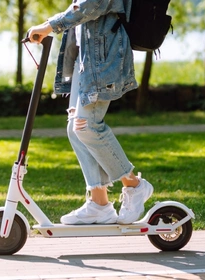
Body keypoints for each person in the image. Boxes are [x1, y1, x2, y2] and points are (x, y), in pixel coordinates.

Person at [25, 0, 153, 225]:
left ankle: (134, 185)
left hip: (103, 60)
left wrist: (48, 26)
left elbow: (91, 5)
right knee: (76, 129)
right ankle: (99, 204)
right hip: (85, 60)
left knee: (87, 125)